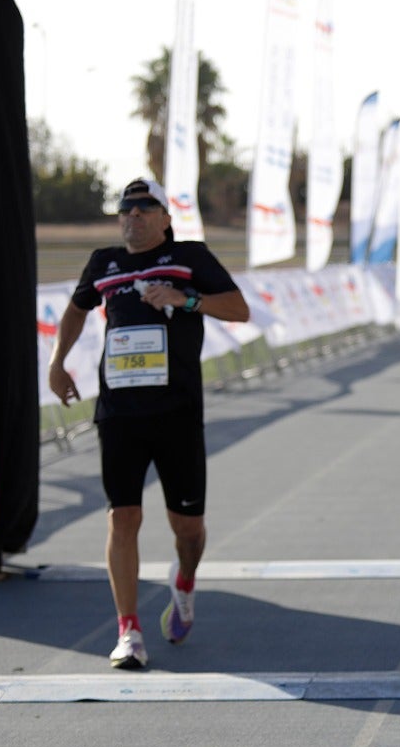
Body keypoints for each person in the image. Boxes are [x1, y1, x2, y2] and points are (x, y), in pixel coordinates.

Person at [47, 178, 250, 670]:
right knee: (123, 517)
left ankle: (184, 579)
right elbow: (75, 313)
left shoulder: (189, 258)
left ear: (164, 217)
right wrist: (58, 363)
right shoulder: (103, 263)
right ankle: (129, 632)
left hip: (177, 412)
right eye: (125, 209)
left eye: (144, 208)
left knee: (189, 528)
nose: (132, 216)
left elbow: (239, 309)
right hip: (119, 412)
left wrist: (186, 300)